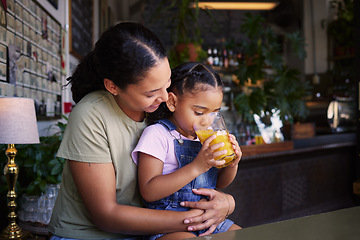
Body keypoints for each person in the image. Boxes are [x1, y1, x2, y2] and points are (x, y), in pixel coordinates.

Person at [48, 22, 237, 240]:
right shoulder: (91, 115)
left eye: (167, 85)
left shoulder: (164, 109)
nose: (165, 98)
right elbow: (106, 216)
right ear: (112, 87)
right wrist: (201, 218)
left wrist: (227, 203)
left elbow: (197, 179)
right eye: (151, 92)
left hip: (150, 231)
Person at [132, 62, 242, 240]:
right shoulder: (158, 135)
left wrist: (232, 164)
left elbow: (219, 183)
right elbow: (148, 191)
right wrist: (197, 166)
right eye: (199, 113)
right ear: (172, 102)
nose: (208, 121)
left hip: (209, 220)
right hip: (169, 226)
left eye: (215, 113)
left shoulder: (204, 138)